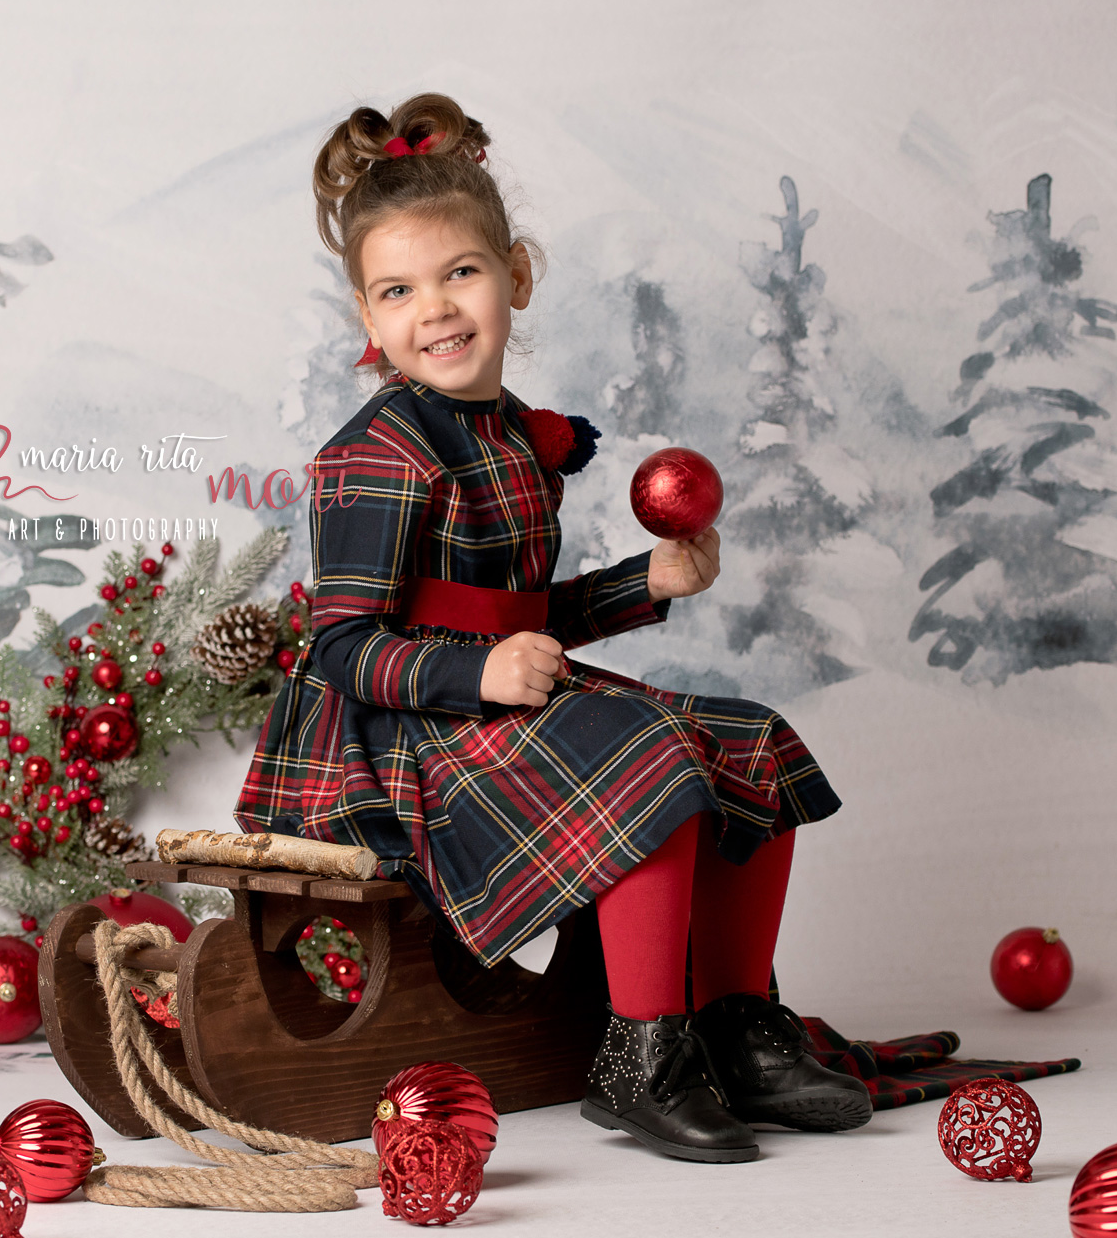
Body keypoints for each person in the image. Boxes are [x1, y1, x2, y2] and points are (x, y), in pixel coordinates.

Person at [235, 93, 870, 1162]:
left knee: (748, 737)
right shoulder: (375, 454)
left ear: (516, 276)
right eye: (399, 290)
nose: (435, 308)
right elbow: (341, 648)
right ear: (368, 319)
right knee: (648, 754)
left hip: (488, 697)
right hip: (398, 734)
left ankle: (734, 1027)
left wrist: (650, 581)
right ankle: (641, 1054)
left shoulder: (512, 437)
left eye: (461, 274)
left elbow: (532, 619)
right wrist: (478, 675)